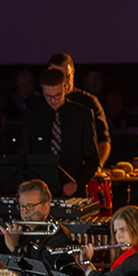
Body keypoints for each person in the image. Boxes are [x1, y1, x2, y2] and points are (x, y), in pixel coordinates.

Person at [19, 69, 100, 197]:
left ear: (65, 87)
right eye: (48, 96)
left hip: (73, 190)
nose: (53, 100)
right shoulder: (33, 114)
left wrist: (77, 183)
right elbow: (24, 154)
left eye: (57, 95)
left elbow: (93, 158)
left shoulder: (82, 114)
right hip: (40, 190)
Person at [47, 53, 112, 168]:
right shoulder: (42, 104)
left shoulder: (88, 103)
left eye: (65, 76)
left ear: (72, 73)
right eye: (56, 76)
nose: (62, 82)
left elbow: (103, 140)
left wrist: (95, 168)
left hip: (79, 173)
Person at [0, 179, 73, 253]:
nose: (25, 211)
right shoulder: (19, 232)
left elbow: (37, 264)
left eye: (30, 206)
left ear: (46, 207)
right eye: (22, 206)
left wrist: (14, 248)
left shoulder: (58, 237)